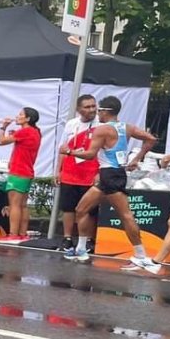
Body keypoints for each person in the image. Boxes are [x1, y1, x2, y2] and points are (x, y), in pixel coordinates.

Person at [62, 95, 158, 269]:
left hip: (110, 176)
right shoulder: (127, 128)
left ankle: (141, 256)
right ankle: (81, 249)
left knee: (125, 215)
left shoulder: (102, 130)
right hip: (110, 175)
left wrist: (69, 152)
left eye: (99, 110)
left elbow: (90, 154)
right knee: (81, 209)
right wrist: (136, 158)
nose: (97, 113)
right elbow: (150, 139)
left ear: (106, 111)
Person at [58, 95, 100, 252]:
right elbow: (63, 148)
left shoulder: (101, 125)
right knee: (68, 207)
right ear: (78, 109)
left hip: (91, 173)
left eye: (93, 106)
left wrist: (99, 173)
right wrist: (58, 170)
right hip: (70, 172)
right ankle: (67, 238)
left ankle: (89, 240)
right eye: (87, 107)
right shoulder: (71, 124)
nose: (91, 110)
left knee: (89, 209)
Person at [0, 107, 42, 244]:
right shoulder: (35, 132)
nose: (17, 116)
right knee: (23, 205)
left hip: (18, 172)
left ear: (28, 118)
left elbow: (1, 141)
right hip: (27, 171)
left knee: (14, 204)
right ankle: (22, 234)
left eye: (21, 114)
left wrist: (3, 127)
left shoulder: (25, 131)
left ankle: (13, 234)